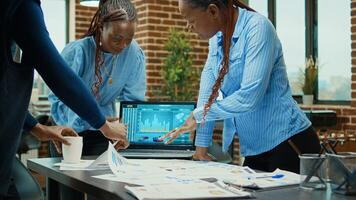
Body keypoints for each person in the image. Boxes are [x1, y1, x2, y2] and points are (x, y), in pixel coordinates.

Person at [161, 0, 321, 174]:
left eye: (191, 21)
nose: (188, 27)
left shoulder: (258, 28)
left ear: (213, 11)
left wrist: (198, 115)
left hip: (289, 143)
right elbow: (208, 90)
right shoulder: (217, 38)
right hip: (255, 150)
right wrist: (201, 149)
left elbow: (249, 97)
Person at [0, 0, 128, 198]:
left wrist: (38, 128)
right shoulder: (20, 5)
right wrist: (103, 124)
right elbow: (56, 73)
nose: (123, 46)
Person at [48, 0, 146, 157]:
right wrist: (99, 121)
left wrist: (127, 132)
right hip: (68, 132)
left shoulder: (133, 54)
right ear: (101, 28)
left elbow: (133, 103)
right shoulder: (77, 52)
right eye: (116, 39)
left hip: (105, 134)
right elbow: (60, 101)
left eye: (129, 39)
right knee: (67, 180)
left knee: (102, 179)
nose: (123, 45)